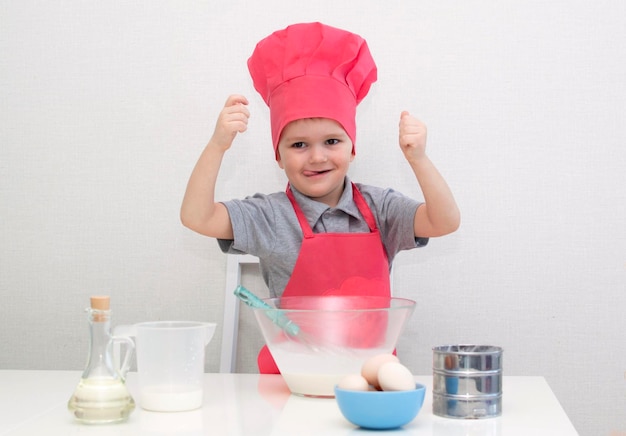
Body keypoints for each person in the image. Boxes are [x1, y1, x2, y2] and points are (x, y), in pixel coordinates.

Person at [181, 22, 460, 373]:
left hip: (368, 379)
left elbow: (446, 221)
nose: (317, 157)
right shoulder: (269, 216)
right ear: (278, 156)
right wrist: (217, 145)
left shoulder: (381, 209)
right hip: (290, 382)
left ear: (353, 148)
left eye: (332, 141)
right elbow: (197, 217)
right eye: (299, 145)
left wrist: (418, 159)